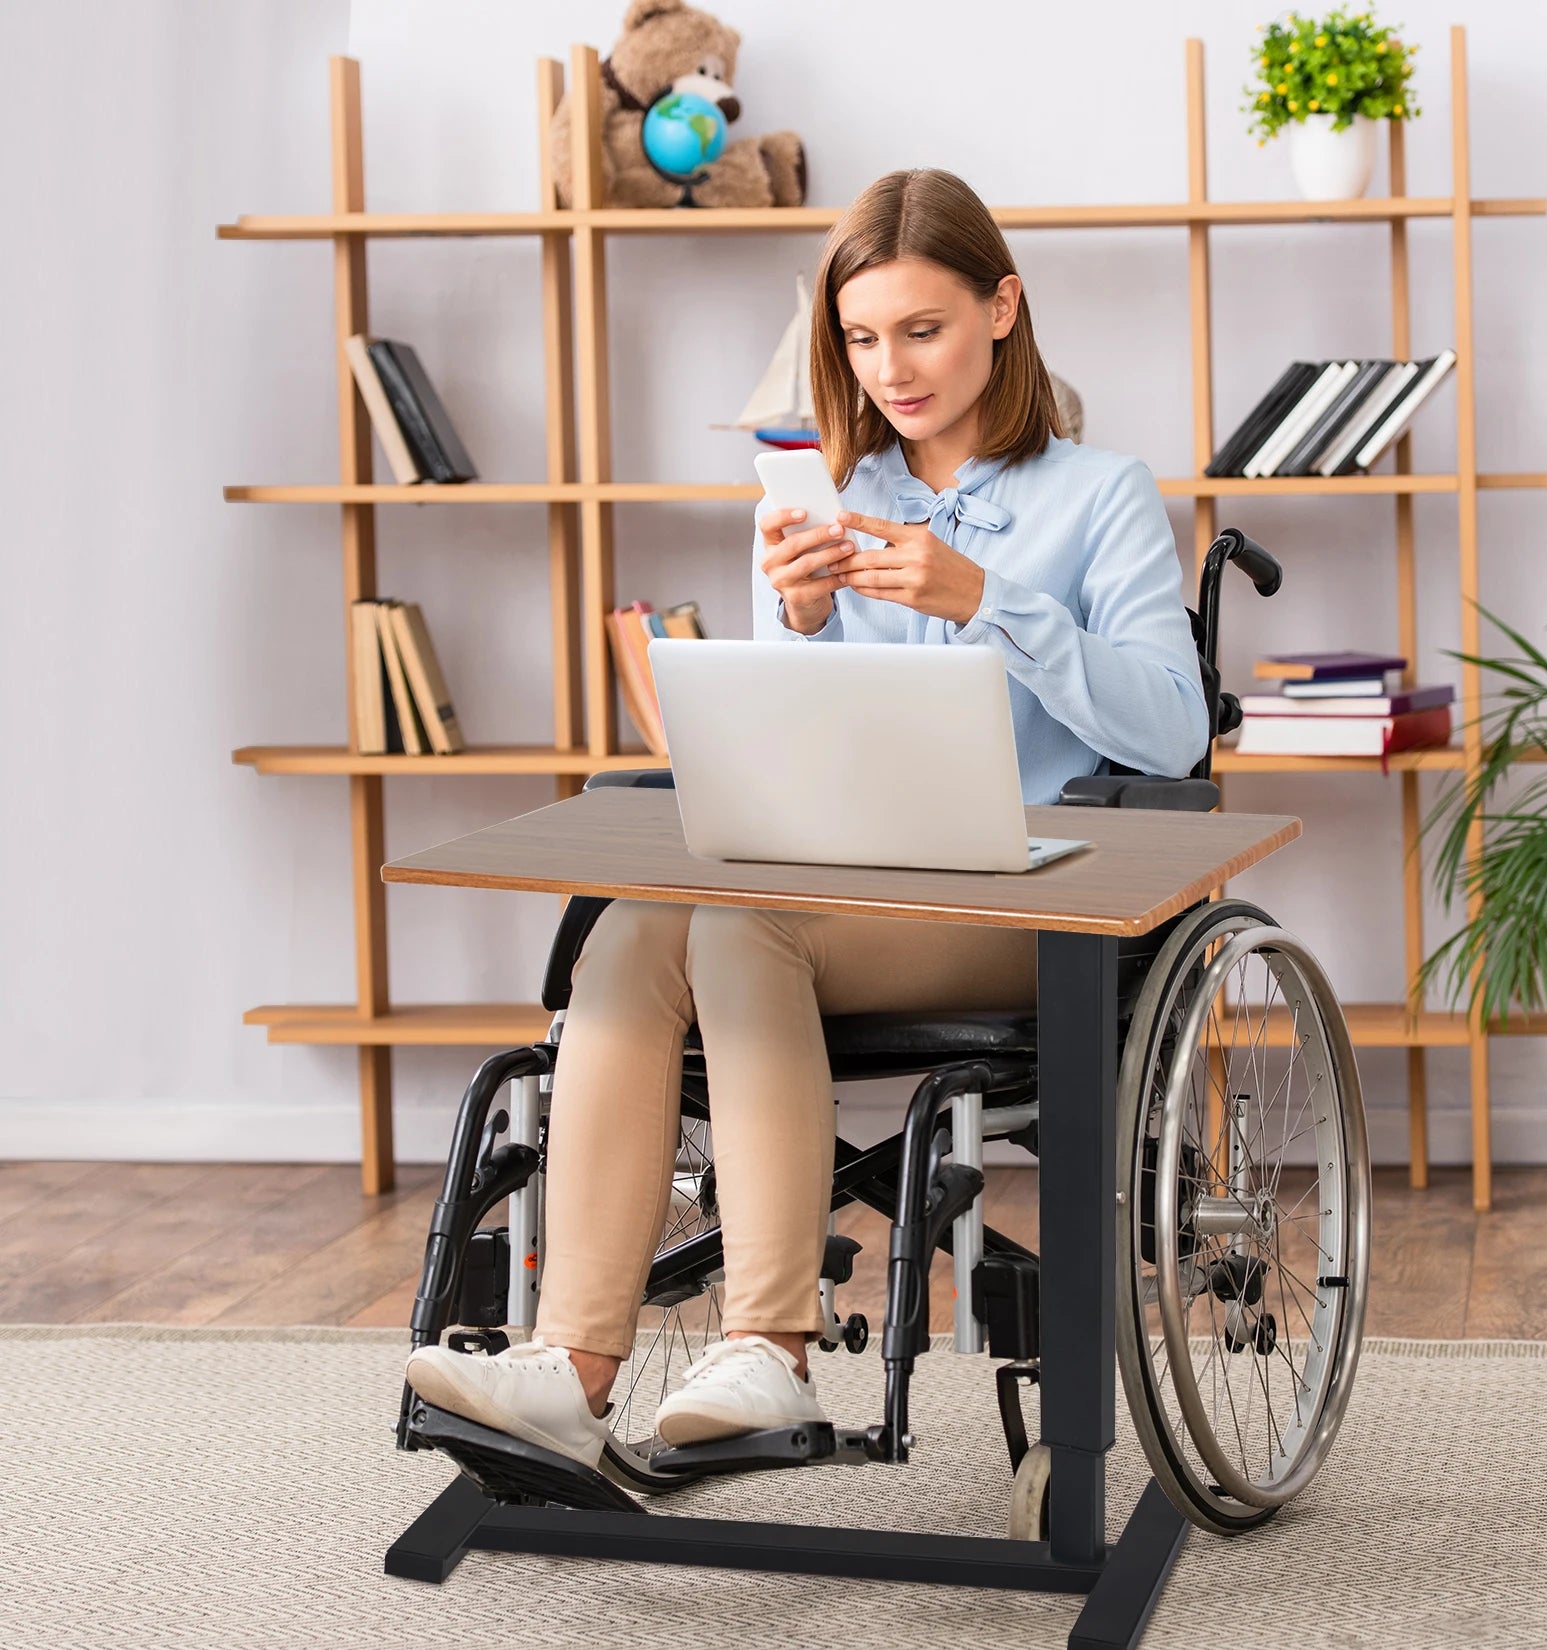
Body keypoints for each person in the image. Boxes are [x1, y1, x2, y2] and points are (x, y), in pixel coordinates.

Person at [404, 167, 1208, 1468]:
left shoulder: (1096, 493)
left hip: (1030, 894)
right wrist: (801, 619)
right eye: (860, 336)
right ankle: (572, 1364)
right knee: (627, 934)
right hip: (824, 887)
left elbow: (1172, 728)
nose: (890, 365)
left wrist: (988, 600)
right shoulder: (821, 494)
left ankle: (768, 1347)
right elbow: (776, 753)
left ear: (1002, 307)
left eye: (922, 328)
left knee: (733, 928)